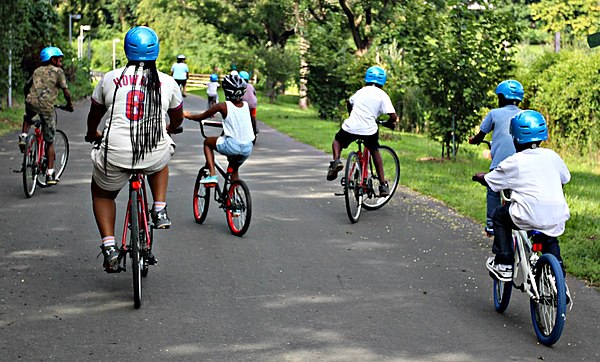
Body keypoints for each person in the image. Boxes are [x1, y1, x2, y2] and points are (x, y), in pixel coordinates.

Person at [85, 26, 184, 272]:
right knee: (162, 156)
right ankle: (159, 209)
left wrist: (91, 134)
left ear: (128, 51)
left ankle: (109, 246)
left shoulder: (109, 78)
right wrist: (170, 128)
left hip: (114, 153)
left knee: (102, 194)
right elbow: (178, 118)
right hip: (152, 153)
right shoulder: (168, 82)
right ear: (156, 52)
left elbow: (94, 115)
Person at [472, 110, 570, 283]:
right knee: (549, 238)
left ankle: (504, 263)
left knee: (499, 216)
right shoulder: (552, 156)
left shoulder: (515, 161)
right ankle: (559, 281)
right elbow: (565, 178)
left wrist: (479, 177)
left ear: (515, 136)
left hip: (527, 214)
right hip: (556, 215)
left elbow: (491, 180)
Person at [326, 65, 397, 197]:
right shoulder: (382, 95)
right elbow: (393, 116)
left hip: (351, 126)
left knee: (337, 141)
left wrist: (351, 114)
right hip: (369, 129)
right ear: (382, 82)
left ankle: (336, 161)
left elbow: (349, 102)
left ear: (367, 79)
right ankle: (382, 185)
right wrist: (389, 123)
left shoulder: (360, 91)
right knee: (374, 150)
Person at [469, 80, 523, 237]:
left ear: (502, 97)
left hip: (500, 165)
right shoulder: (523, 115)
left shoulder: (494, 113)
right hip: (521, 165)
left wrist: (474, 140)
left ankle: (491, 225)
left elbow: (481, 135)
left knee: (493, 189)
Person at [184, 74, 255, 183]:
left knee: (207, 142)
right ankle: (233, 194)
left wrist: (187, 115)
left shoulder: (222, 106)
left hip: (232, 146)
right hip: (247, 148)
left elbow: (201, 117)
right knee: (234, 169)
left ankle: (212, 175)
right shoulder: (245, 105)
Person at [19, 46, 74, 184]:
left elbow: (27, 86)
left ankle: (24, 137)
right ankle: (50, 174)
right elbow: (66, 92)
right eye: (59, 59)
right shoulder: (58, 72)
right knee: (49, 142)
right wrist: (69, 105)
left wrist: (28, 97)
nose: (60, 62)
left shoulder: (37, 71)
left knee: (28, 117)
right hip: (47, 108)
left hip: (31, 102)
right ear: (53, 59)